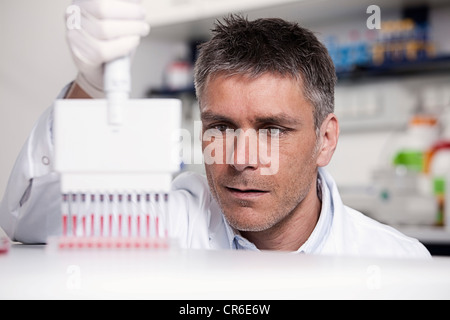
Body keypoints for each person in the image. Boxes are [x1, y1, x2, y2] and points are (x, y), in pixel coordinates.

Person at [0, 0, 431, 258]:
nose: (241, 157)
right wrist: (89, 88)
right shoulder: (177, 219)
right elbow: (28, 219)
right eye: (220, 126)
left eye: (273, 129)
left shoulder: (394, 262)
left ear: (326, 140)